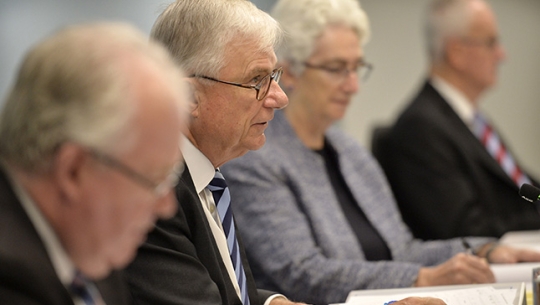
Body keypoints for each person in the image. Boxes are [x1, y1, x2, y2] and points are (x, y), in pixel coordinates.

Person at [123, 1, 445, 305]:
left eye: (273, 77)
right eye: (257, 80)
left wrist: (274, 301)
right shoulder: (150, 192)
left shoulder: (206, 175)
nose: (279, 97)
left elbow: (232, 295)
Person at [220, 0, 540, 304]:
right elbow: (304, 274)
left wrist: (483, 250)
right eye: (336, 68)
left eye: (356, 68)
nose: (353, 85)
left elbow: (403, 249)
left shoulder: (350, 151)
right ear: (289, 72)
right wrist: (422, 278)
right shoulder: (256, 157)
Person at [0, 22, 187, 304]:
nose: (167, 206)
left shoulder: (87, 244)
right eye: (153, 180)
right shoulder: (13, 283)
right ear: (72, 171)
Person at [372, 0, 540, 240]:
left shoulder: (471, 120)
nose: (502, 55)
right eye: (491, 42)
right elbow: (464, 228)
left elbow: (522, 187)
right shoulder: (420, 128)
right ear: (456, 53)